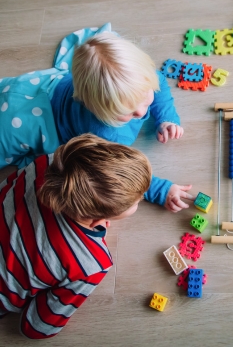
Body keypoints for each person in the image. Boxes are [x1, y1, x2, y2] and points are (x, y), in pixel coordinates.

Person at [0, 23, 192, 212]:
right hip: (31, 121)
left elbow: (159, 85)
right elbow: (114, 173)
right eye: (126, 112)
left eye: (145, 99)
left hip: (46, 86)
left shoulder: (142, 79)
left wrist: (167, 118)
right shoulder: (104, 133)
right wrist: (160, 190)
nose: (141, 113)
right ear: (96, 109)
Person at [0, 134, 152, 339]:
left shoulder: (49, 162)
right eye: (137, 202)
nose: (142, 198)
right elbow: (36, 328)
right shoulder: (90, 263)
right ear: (97, 220)